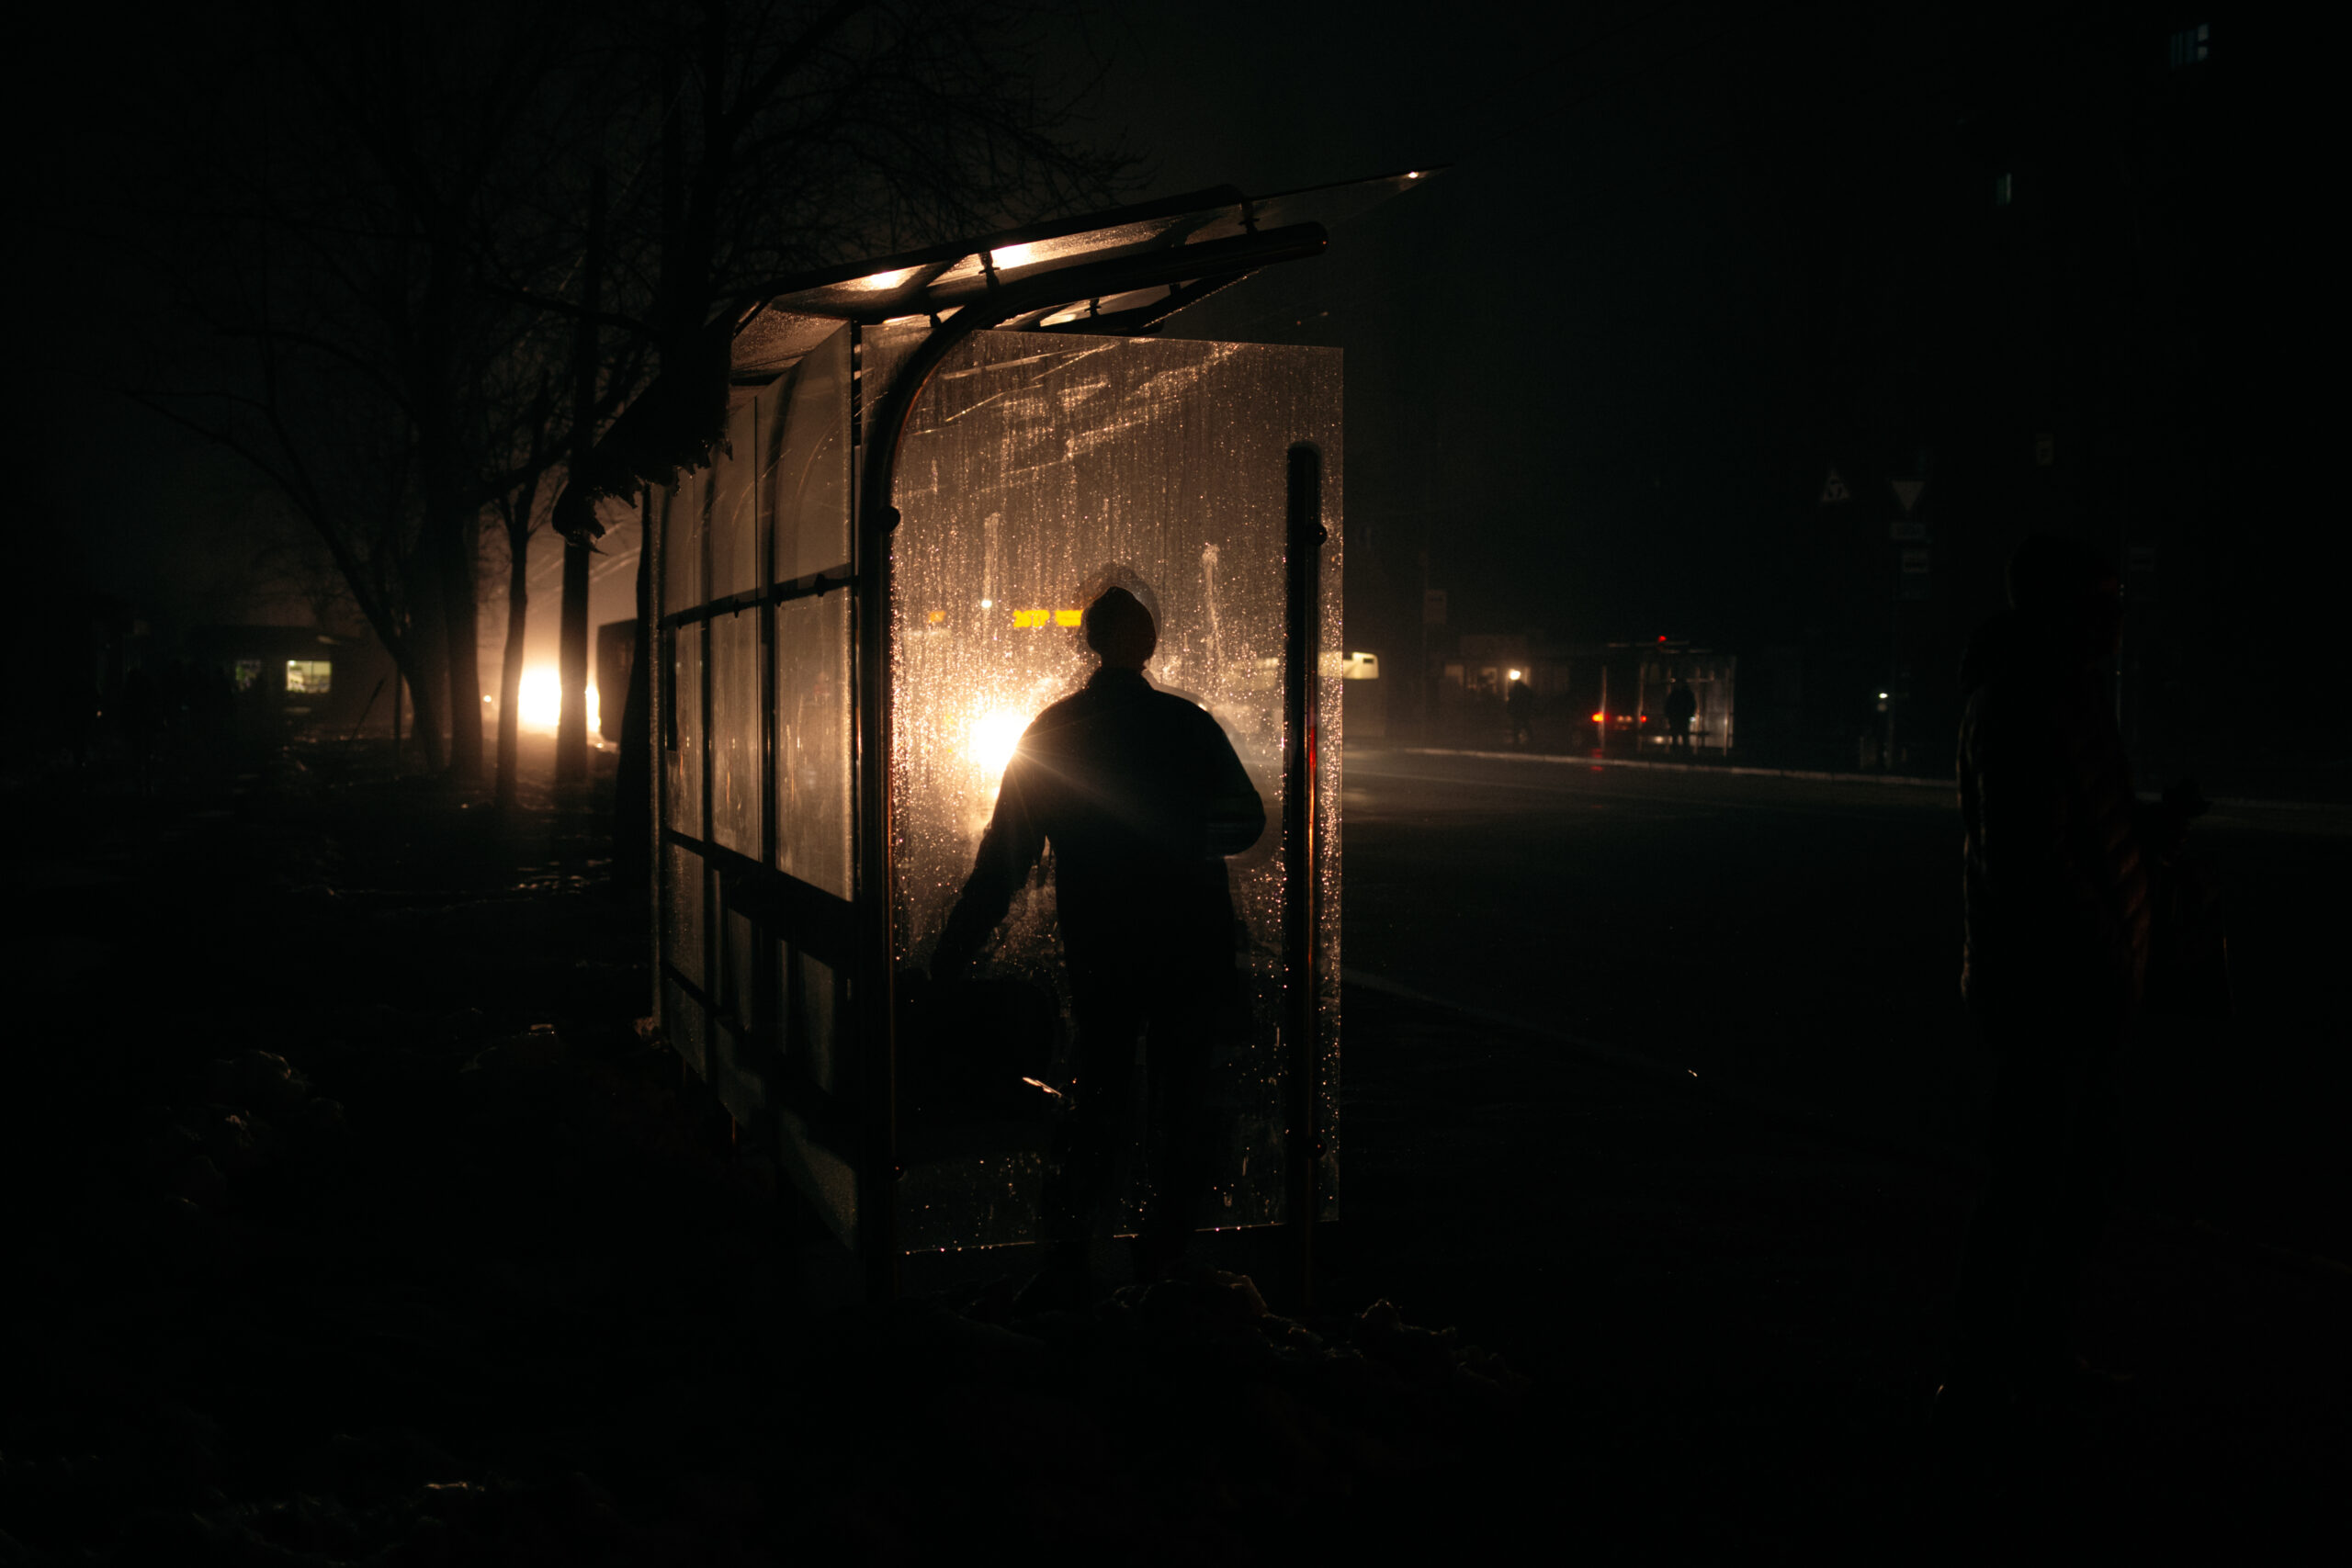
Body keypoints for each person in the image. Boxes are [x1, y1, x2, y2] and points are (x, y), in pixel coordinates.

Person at [928, 585, 1266, 1303]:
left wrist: (953, 952)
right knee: (1182, 1096)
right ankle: (1166, 1255)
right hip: (1189, 942)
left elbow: (1004, 861)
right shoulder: (1187, 725)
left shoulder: (1055, 730)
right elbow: (1247, 823)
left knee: (1101, 1086)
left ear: (1089, 642)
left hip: (1103, 943)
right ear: (1148, 644)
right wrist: (1179, 844)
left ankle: (1079, 1249)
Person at [1936, 535, 2203, 1437]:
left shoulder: (2063, 691)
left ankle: (2029, 1354)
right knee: (2030, 1185)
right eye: (2103, 598)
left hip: (2079, 986)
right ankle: (1982, 1372)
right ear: (2060, 609)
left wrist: (2150, 830)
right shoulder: (2021, 702)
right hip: (2050, 989)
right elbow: (2031, 860)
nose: (2119, 615)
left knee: (2071, 1179)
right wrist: (2101, 946)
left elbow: (2083, 825)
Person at [1664, 677, 1697, 750]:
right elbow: (1692, 705)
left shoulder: (1674, 694)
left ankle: (1678, 749)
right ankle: (1683, 749)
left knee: (1679, 734)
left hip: (1679, 717)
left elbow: (1668, 705)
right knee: (1681, 734)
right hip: (1681, 717)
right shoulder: (1687, 694)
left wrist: (1669, 715)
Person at [1505, 677, 1534, 749]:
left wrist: (1509, 710)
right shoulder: (1525, 690)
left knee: (1517, 724)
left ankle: (1516, 737)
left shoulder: (1515, 691)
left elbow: (1511, 700)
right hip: (1523, 710)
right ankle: (1530, 736)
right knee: (1525, 723)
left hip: (1517, 710)